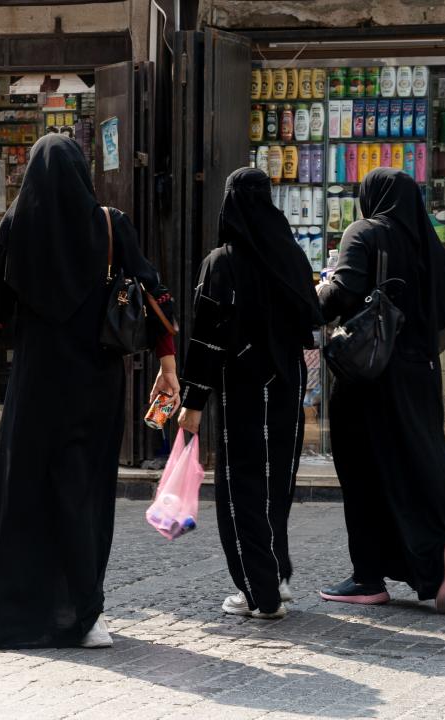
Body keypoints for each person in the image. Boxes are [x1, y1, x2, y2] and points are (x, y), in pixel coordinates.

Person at [0, 134, 178, 649]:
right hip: (94, 387)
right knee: (83, 496)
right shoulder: (109, 224)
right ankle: (84, 615)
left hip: (35, 387)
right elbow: (152, 292)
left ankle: (16, 616)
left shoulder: (17, 225)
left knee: (26, 494)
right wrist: (168, 366)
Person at [317, 167, 445, 614]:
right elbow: (444, 318)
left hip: (370, 377)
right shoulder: (428, 245)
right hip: (421, 374)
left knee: (364, 474)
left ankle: (368, 577)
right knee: (419, 465)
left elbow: (340, 296)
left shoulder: (365, 232)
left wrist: (318, 286)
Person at [177, 167, 322, 620]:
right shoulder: (291, 257)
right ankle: (274, 575)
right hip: (287, 385)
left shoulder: (222, 263)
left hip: (243, 386)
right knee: (276, 483)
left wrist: (193, 403)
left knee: (243, 487)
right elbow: (310, 323)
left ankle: (260, 593)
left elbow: (205, 340)